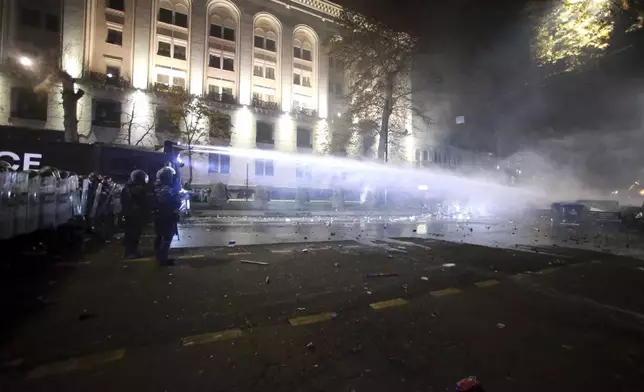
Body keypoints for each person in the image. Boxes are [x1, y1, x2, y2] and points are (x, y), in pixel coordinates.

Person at [153, 166, 181, 266]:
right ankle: (162, 259)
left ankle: (159, 257)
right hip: (167, 216)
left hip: (159, 216)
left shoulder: (156, 186)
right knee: (167, 237)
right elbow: (175, 201)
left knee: (160, 236)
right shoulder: (168, 189)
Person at [120, 169, 150, 258]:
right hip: (136, 215)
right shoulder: (139, 189)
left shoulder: (126, 187)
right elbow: (144, 203)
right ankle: (132, 253)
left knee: (129, 234)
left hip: (128, 214)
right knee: (134, 234)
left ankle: (128, 252)